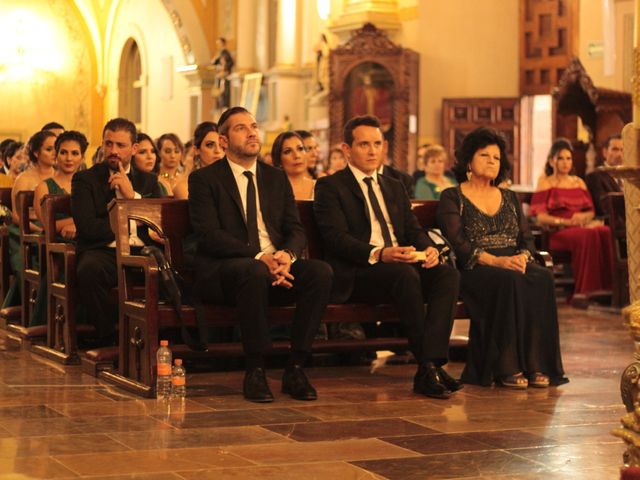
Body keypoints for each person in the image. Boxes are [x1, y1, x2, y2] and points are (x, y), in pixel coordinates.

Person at [188, 107, 332, 403]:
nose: (252, 132)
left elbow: (295, 228)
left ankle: (295, 367)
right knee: (252, 271)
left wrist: (286, 256)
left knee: (320, 273)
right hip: (224, 272)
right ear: (224, 141)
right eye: (241, 128)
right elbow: (209, 236)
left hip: (274, 267)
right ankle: (255, 369)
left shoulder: (276, 178)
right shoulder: (205, 179)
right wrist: (259, 257)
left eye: (254, 125)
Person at [314, 115, 461, 399]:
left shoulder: (394, 186)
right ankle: (428, 366)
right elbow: (336, 239)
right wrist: (380, 253)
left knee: (447, 274)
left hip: (401, 265)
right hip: (360, 271)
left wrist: (429, 249)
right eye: (364, 144)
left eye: (377, 144)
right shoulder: (331, 186)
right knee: (403, 274)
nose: (372, 151)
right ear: (346, 149)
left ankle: (431, 363)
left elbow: (412, 230)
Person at [437, 127, 567, 388]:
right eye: (485, 156)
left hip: (512, 262)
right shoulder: (453, 196)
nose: (492, 162)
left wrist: (521, 256)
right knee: (508, 281)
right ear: (468, 161)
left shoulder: (509, 197)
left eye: (496, 158)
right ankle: (506, 367)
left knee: (541, 277)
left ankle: (536, 365)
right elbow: (458, 244)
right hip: (476, 267)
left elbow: (526, 239)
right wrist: (496, 261)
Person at [72, 118, 161, 346]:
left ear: (133, 148)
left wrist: (132, 198)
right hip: (103, 251)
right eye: (108, 144)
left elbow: (160, 223)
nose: (113, 151)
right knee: (88, 269)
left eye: (120, 145)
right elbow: (88, 227)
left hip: (142, 251)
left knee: (174, 267)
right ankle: (108, 338)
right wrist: (131, 224)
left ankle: (160, 341)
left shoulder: (148, 181)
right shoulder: (85, 179)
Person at [530, 138, 613, 298]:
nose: (565, 162)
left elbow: (590, 211)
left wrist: (581, 217)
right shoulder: (545, 182)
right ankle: (585, 292)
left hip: (580, 227)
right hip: (557, 232)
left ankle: (607, 290)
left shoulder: (579, 182)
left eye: (568, 158)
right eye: (560, 158)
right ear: (551, 161)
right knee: (588, 235)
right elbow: (540, 217)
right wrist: (566, 222)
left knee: (605, 231)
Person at [30, 131, 87, 326]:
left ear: (82, 156)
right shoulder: (44, 187)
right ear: (56, 154)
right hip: (57, 246)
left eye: (74, 153)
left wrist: (78, 223)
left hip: (86, 240)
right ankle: (57, 324)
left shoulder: (89, 184)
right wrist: (80, 220)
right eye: (63, 152)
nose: (69, 158)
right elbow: (48, 224)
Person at [2, 130, 56, 308]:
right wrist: (37, 228)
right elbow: (16, 216)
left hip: (53, 226)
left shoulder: (59, 177)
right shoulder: (24, 179)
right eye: (49, 149)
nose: (55, 153)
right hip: (26, 228)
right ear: (36, 152)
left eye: (57, 148)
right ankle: (31, 303)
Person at [174, 122, 224, 200]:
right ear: (196, 150)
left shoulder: (233, 182)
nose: (217, 151)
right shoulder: (185, 187)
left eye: (221, 145)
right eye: (210, 145)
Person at [585, 134, 624, 217]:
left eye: (623, 150)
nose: (620, 154)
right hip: (613, 223)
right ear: (605, 152)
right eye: (615, 149)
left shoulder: (630, 176)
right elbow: (602, 208)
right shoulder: (594, 177)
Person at [272, 131, 316, 200]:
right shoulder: (270, 190)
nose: (297, 156)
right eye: (288, 151)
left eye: (300, 149)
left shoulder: (320, 187)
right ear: (279, 160)